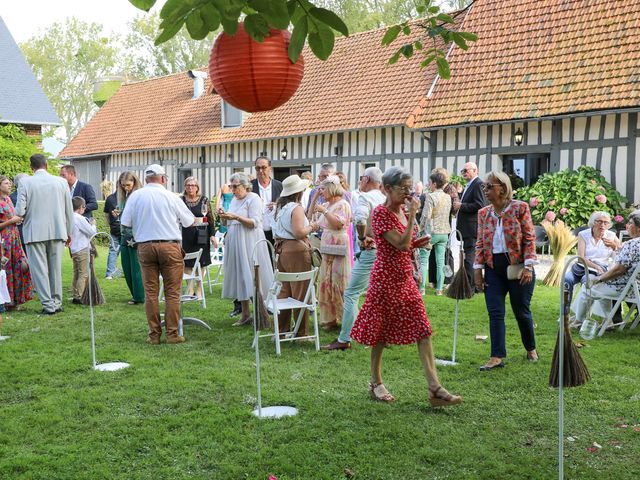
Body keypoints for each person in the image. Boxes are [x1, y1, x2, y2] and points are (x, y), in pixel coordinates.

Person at [349, 166, 462, 407]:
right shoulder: (380, 213)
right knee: (380, 333)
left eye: (411, 188)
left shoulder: (401, 210)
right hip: (385, 279)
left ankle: (435, 388)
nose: (409, 193)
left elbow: (407, 243)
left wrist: (417, 246)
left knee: (423, 329)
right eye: (404, 189)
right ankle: (375, 382)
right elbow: (399, 244)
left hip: (405, 278)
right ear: (388, 189)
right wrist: (412, 217)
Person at [120, 164, 196, 344]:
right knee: (172, 292)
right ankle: (172, 334)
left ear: (146, 179)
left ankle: (154, 335)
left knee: (151, 293)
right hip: (169, 246)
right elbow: (189, 221)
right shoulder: (171, 196)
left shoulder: (135, 196)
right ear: (163, 179)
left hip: (145, 246)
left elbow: (125, 222)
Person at [474, 171, 538, 371]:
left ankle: (531, 348)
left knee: (521, 311)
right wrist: (477, 271)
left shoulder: (520, 208)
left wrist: (528, 266)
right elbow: (479, 243)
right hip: (494, 269)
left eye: (489, 186)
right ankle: (496, 356)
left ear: (502, 187)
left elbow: (529, 238)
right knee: (495, 312)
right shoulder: (483, 213)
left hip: (519, 268)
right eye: (484, 187)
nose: (485, 190)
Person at [323, 166, 385, 350]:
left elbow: (359, 219)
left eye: (361, 179)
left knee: (351, 293)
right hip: (384, 250)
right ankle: (381, 334)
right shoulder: (383, 198)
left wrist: (361, 237)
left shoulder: (366, 198)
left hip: (371, 249)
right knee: (379, 293)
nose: (360, 182)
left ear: (366, 180)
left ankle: (344, 338)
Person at [15, 154, 74, 315]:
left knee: (39, 270)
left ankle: (48, 305)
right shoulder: (61, 182)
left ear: (31, 167)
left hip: (34, 232)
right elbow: (69, 210)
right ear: (46, 165)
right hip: (57, 230)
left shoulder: (24, 182)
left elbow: (20, 211)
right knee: (55, 268)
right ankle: (57, 302)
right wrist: (69, 231)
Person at [219, 172, 274, 326]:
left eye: (235, 186)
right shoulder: (235, 200)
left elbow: (255, 223)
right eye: (231, 186)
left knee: (253, 275)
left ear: (245, 185)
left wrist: (236, 217)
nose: (232, 190)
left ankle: (262, 311)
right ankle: (245, 314)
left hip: (250, 240)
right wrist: (223, 216)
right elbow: (226, 224)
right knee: (240, 275)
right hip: (235, 240)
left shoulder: (254, 198)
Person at [572, 210, 640, 326]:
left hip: (625, 288)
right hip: (637, 287)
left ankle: (578, 321)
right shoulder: (633, 244)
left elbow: (619, 270)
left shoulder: (631, 244)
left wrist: (600, 278)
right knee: (603, 284)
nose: (627, 226)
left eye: (630, 223)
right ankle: (608, 321)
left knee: (588, 287)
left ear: (638, 228)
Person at [272, 175, 319, 336]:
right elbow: (299, 232)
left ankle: (282, 329)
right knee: (300, 291)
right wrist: (313, 226)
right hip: (297, 251)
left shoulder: (282, 207)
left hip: (284, 250)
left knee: (285, 291)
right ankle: (301, 332)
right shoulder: (295, 208)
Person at [314, 176, 352, 330]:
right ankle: (329, 319)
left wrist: (324, 211)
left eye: (323, 189)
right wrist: (315, 199)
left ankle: (344, 319)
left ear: (331, 188)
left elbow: (338, 224)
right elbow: (311, 217)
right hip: (326, 245)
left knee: (338, 281)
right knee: (326, 281)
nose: (321, 192)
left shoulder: (343, 204)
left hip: (338, 243)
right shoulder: (326, 204)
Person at [565, 211, 620, 310]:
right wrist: (596, 266)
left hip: (598, 271)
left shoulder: (611, 235)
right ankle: (565, 311)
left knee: (588, 282)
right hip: (581, 267)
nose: (602, 225)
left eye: (606, 223)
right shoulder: (583, 234)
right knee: (567, 279)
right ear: (593, 222)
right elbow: (580, 258)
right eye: (599, 221)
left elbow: (622, 253)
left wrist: (614, 246)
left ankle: (583, 316)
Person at [180, 177, 216, 298]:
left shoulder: (204, 200)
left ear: (197, 187)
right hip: (186, 235)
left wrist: (212, 235)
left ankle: (199, 289)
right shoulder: (181, 200)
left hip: (202, 234)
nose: (190, 187)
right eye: (188, 185)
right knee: (187, 262)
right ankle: (190, 290)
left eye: (193, 185)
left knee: (201, 263)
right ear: (185, 187)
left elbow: (210, 218)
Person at [0, 175, 32, 309]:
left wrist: (17, 220)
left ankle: (17, 299)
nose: (10, 185)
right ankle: (7, 302)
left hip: (15, 238)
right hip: (4, 240)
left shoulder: (8, 199)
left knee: (20, 266)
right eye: (6, 183)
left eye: (10, 183)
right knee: (6, 269)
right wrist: (11, 221)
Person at [453, 162, 487, 288]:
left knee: (470, 258)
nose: (464, 173)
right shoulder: (470, 185)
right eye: (463, 171)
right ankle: (472, 284)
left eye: (466, 170)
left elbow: (480, 205)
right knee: (468, 256)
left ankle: (470, 286)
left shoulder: (478, 184)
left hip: (472, 228)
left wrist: (462, 205)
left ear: (475, 170)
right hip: (467, 227)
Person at [419, 171, 452, 296]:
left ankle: (421, 289)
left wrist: (421, 229)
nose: (429, 184)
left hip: (431, 232)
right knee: (440, 261)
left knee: (423, 260)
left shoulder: (430, 196)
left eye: (430, 182)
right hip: (444, 232)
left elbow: (426, 216)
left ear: (434, 183)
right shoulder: (448, 197)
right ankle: (439, 290)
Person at [117, 172, 145, 305]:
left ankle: (140, 296)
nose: (125, 188)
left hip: (136, 235)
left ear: (134, 182)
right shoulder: (124, 196)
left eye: (128, 185)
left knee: (136, 267)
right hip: (124, 235)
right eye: (123, 186)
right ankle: (135, 294)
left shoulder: (139, 195)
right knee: (126, 266)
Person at [69, 197, 97, 304]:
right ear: (81, 207)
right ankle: (80, 296)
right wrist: (93, 225)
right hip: (82, 248)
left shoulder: (69, 217)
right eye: (84, 207)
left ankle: (76, 293)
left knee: (76, 272)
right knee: (83, 273)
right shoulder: (79, 218)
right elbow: (91, 232)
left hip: (74, 248)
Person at [251, 156, 283, 245]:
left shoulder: (279, 185)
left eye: (263, 167)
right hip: (256, 231)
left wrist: (277, 206)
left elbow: (286, 206)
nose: (260, 171)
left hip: (275, 232)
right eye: (257, 168)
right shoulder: (250, 186)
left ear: (270, 168)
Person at [103, 181, 121, 280]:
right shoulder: (128, 198)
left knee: (113, 251)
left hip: (114, 227)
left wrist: (109, 224)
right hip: (124, 229)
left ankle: (109, 273)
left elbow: (106, 214)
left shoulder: (110, 198)